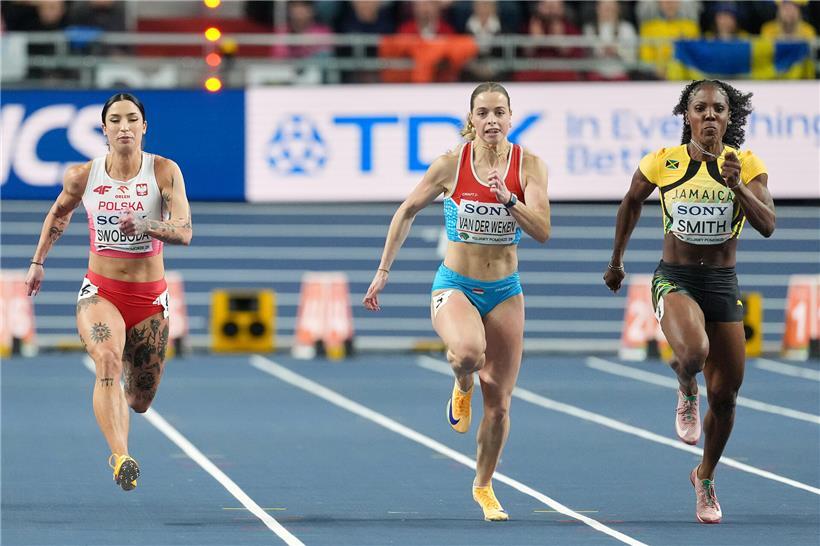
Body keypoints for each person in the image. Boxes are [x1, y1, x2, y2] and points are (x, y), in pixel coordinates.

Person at [363, 82, 550, 521]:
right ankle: (461, 384)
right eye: (482, 113)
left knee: (500, 404)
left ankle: (484, 486)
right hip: (456, 285)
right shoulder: (450, 165)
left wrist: (509, 200)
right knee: (467, 352)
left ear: (510, 118)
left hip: (505, 291)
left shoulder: (530, 167)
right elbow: (406, 210)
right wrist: (383, 271)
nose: (491, 120)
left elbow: (542, 229)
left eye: (499, 112)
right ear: (471, 119)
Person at [603, 80, 775, 524]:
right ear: (688, 116)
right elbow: (630, 203)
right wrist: (617, 261)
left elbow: (769, 224)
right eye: (701, 108)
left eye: (719, 109)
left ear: (729, 118)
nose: (710, 116)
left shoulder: (749, 164)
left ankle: (705, 476)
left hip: (721, 282)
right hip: (674, 277)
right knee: (694, 354)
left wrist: (737, 187)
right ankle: (684, 386)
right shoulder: (664, 161)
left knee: (727, 395)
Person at [25, 93, 193, 492]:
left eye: (131, 119)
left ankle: (122, 417)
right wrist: (38, 262)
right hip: (101, 292)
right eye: (115, 120)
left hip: (150, 300)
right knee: (106, 359)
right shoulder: (84, 175)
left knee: (139, 400)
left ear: (144, 127)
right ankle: (122, 456)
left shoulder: (164, 172)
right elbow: (58, 212)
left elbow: (184, 231)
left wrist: (147, 225)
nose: (123, 127)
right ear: (103, 129)